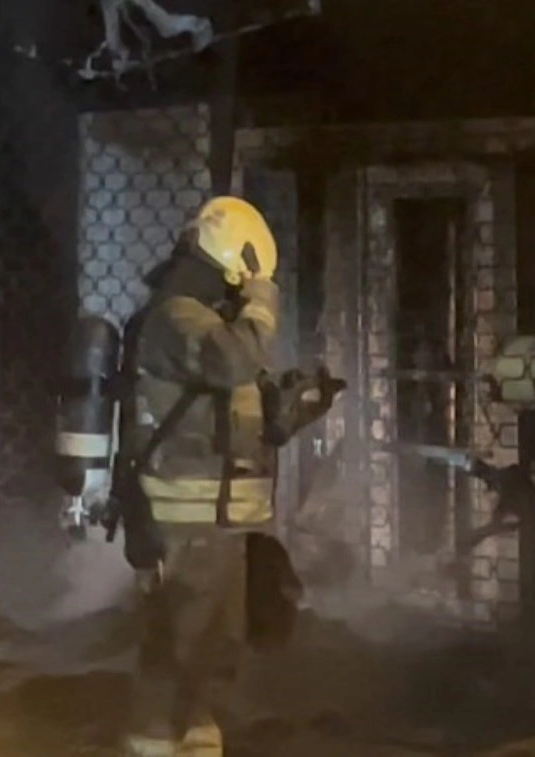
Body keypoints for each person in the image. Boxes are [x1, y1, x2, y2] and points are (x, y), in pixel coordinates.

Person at [116, 196, 342, 756]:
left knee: (212, 643)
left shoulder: (203, 321)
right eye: (250, 279)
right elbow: (232, 360)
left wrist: (290, 408)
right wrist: (263, 297)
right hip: (190, 515)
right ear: (238, 261)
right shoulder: (176, 316)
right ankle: (157, 739)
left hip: (216, 516)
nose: (248, 293)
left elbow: (230, 407)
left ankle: (190, 736)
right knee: (186, 642)